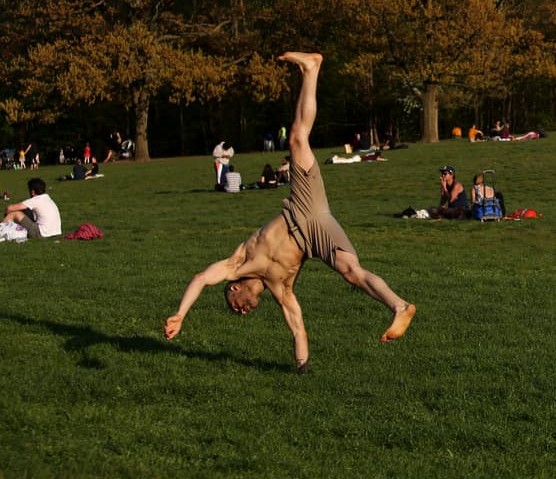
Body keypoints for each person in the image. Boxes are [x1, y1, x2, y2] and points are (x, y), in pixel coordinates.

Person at [163, 52, 415, 373]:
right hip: (318, 234)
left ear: (235, 288)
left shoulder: (237, 262)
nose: (240, 312)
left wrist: (181, 314)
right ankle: (400, 305)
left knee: (297, 137)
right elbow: (298, 327)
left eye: (234, 306)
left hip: (303, 205)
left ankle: (311, 68)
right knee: (352, 272)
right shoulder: (280, 287)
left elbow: (200, 279)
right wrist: (301, 366)